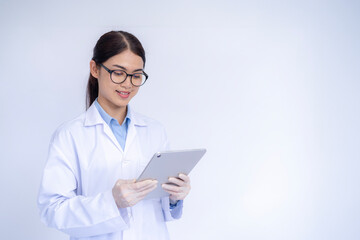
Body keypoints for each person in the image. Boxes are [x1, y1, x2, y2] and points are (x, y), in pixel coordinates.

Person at [37, 30, 191, 240]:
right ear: (95, 69)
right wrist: (112, 201)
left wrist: (174, 197)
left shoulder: (155, 131)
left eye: (136, 75)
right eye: (118, 73)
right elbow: (52, 210)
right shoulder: (70, 135)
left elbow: (159, 210)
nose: (128, 83)